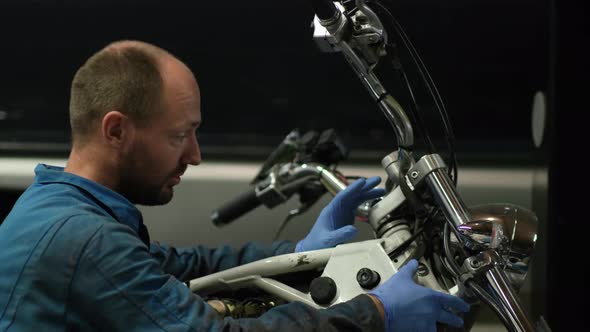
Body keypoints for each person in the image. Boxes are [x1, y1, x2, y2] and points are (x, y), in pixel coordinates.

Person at [0, 40, 469, 331]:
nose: (195, 155)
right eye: (179, 136)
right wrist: (377, 313)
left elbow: (182, 266)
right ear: (117, 131)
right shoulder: (85, 241)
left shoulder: (61, 206)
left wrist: (303, 252)